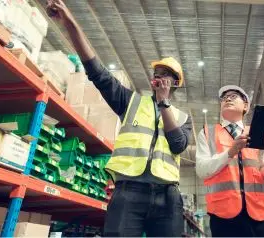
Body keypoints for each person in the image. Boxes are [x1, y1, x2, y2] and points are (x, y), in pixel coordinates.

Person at [47, 1, 192, 236]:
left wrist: (164, 102)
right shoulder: (130, 101)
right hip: (128, 192)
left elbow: (178, 145)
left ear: (176, 83)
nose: (160, 76)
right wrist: (70, 23)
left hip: (168, 197)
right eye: (157, 73)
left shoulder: (183, 118)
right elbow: (97, 72)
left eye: (167, 75)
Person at [195, 85, 264, 237]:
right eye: (224, 98)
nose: (227, 98)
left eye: (233, 96)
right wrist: (230, 152)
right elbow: (202, 170)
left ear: (246, 106)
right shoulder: (207, 132)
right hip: (223, 215)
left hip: (261, 213)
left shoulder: (259, 131)